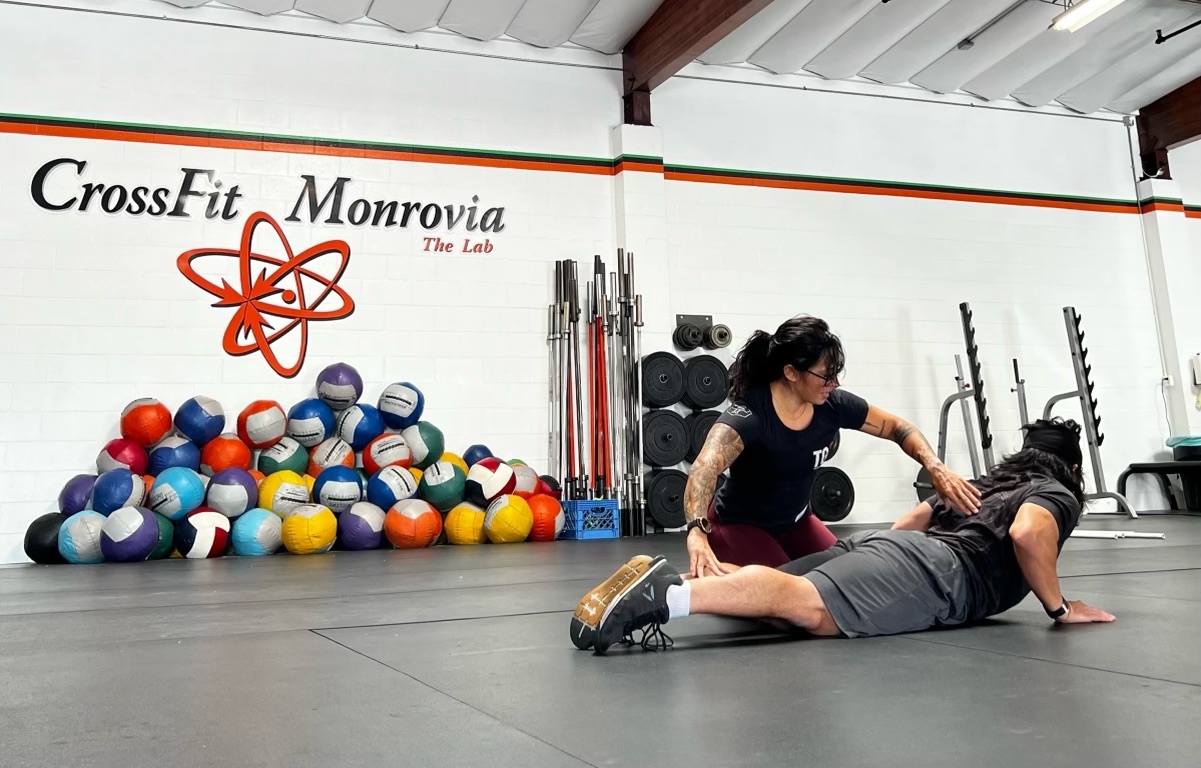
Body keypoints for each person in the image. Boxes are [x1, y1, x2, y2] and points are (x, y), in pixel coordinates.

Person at [569, 418, 1115, 654]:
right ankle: (665, 596)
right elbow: (1028, 533)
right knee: (811, 610)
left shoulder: (984, 483)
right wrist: (1059, 607)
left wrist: (878, 556)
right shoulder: (1056, 491)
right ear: (1072, 468)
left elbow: (909, 523)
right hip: (942, 573)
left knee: (776, 605)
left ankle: (666, 582)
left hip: (889, 546)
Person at [684, 315, 981, 579]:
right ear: (791, 372)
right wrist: (697, 531)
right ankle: (696, 582)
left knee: (848, 578)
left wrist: (935, 467)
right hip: (739, 526)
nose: (834, 383)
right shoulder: (750, 416)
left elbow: (897, 427)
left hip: (796, 523)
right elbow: (704, 469)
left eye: (836, 373)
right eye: (826, 375)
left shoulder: (832, 406)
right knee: (786, 593)